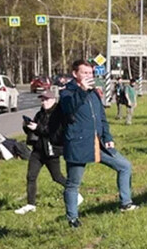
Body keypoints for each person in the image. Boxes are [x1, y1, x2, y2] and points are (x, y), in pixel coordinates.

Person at [59, 59, 137, 227]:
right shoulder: (67, 92)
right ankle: (72, 219)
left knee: (124, 166)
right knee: (73, 183)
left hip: (98, 143)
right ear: (75, 74)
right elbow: (68, 109)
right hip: (78, 144)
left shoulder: (94, 93)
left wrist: (107, 137)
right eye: (84, 73)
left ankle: (126, 203)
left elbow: (101, 117)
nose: (89, 76)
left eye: (90, 73)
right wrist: (81, 91)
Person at [15, 92, 67, 214]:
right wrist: (27, 126)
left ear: (54, 99)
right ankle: (30, 204)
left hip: (51, 151)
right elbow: (34, 132)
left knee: (57, 177)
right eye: (42, 100)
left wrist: (37, 128)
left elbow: (53, 132)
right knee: (31, 176)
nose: (44, 102)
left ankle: (74, 192)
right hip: (38, 150)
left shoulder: (58, 114)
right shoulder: (40, 114)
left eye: (46, 100)